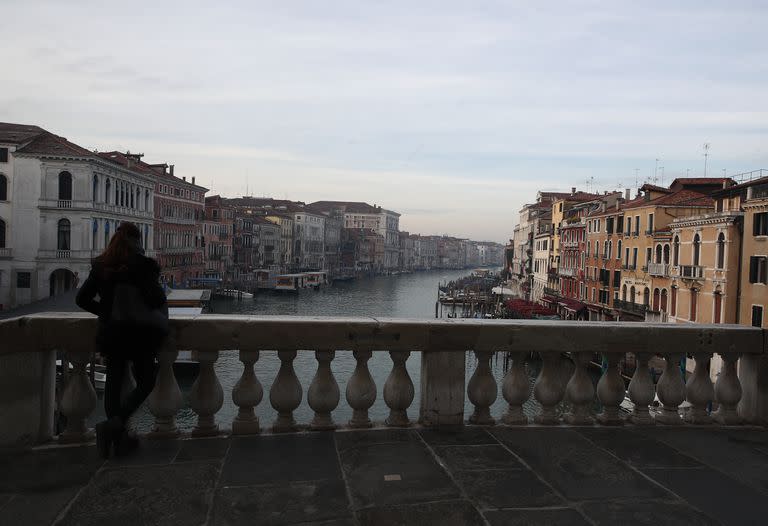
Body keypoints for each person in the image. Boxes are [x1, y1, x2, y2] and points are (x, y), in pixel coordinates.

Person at [76, 222, 168, 458]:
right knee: (147, 381)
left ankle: (117, 438)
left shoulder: (101, 266)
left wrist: (106, 312)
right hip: (140, 335)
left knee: (113, 385)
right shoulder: (144, 266)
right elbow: (157, 299)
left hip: (112, 334)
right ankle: (114, 427)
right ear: (137, 241)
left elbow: (82, 299)